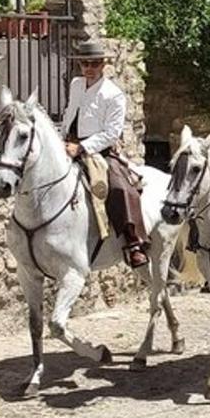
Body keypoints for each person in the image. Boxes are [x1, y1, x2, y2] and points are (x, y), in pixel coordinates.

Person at [59, 40, 149, 268]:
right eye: (85, 63)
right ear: (79, 64)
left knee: (119, 187)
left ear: (103, 65)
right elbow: (70, 113)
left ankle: (133, 242)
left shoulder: (113, 94)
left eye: (95, 63)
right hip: (68, 145)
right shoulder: (76, 84)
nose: (89, 68)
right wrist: (63, 139)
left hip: (98, 151)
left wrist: (81, 147)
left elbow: (111, 133)